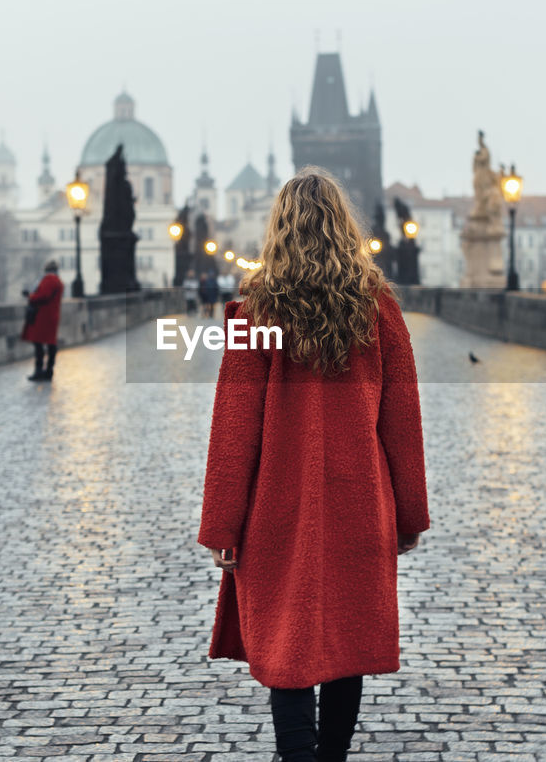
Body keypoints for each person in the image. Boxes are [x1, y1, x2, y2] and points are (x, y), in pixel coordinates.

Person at [197, 167, 430, 762]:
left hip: (278, 505)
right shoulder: (379, 312)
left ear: (279, 230)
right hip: (360, 500)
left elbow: (234, 429)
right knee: (345, 639)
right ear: (343, 228)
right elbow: (402, 422)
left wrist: (224, 524)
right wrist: (407, 514)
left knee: (290, 640)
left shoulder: (256, 313)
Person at [22, 259, 64, 382]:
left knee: (38, 343)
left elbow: (43, 296)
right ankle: (49, 370)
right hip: (53, 315)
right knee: (51, 343)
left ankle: (39, 370)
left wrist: (30, 296)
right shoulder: (59, 281)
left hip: (43, 316)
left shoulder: (49, 280)